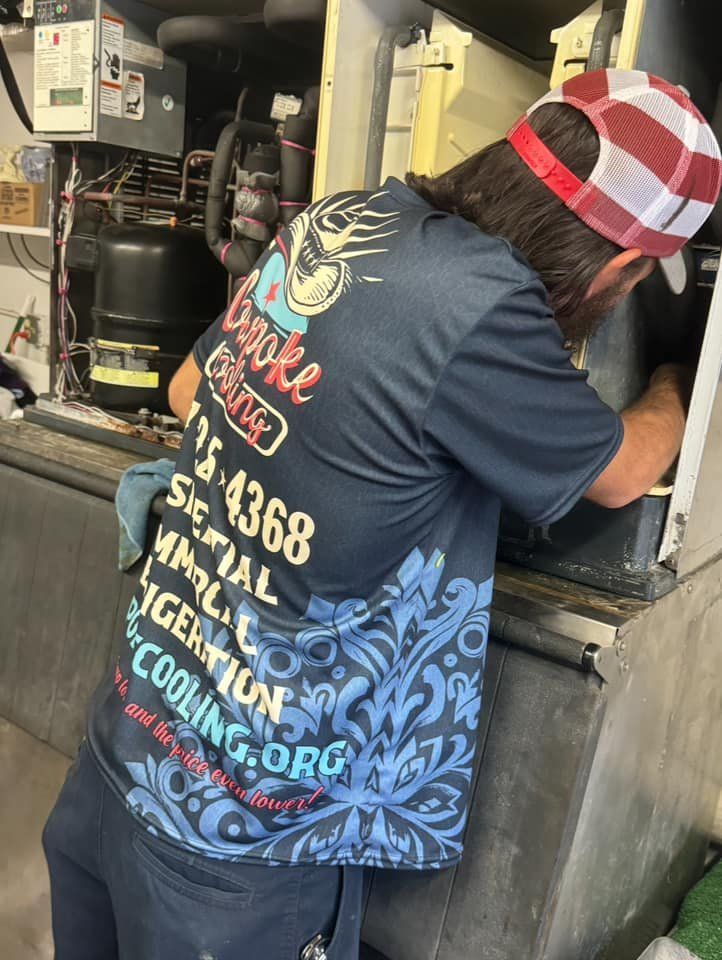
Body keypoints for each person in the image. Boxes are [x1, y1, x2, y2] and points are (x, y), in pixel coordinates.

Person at [43, 69, 721, 960]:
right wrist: (678, 378)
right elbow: (623, 471)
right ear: (625, 262)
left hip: (127, 748)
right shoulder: (484, 307)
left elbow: (186, 386)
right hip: (240, 838)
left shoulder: (342, 218)